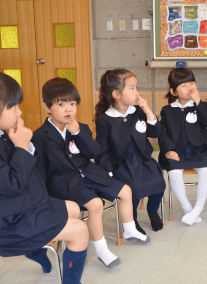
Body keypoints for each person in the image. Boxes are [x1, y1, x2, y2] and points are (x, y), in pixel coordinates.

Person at [0, 70, 88, 284]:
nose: (19, 113)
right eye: (12, 106)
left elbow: (24, 170)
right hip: (5, 225)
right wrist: (21, 147)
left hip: (19, 207)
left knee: (75, 208)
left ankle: (37, 250)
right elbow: (13, 184)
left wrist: (24, 145)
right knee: (79, 230)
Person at [32, 77, 149, 269]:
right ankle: (102, 250)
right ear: (47, 107)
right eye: (61, 104)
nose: (69, 109)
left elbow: (94, 152)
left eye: (72, 103)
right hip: (65, 183)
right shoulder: (39, 136)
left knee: (126, 190)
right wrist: (45, 198)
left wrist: (78, 133)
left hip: (90, 174)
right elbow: (40, 170)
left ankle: (129, 229)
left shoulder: (81, 128)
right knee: (95, 205)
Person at [95, 69, 166, 232]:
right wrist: (108, 173)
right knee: (132, 189)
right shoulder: (105, 119)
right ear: (116, 94)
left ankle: (152, 210)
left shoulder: (138, 112)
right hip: (121, 163)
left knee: (159, 182)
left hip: (142, 159)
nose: (137, 93)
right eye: (132, 88)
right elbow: (102, 150)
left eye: (136, 87)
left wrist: (148, 110)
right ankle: (131, 220)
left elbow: (155, 133)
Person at [158, 67, 207, 226]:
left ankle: (198, 209)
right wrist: (168, 150)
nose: (190, 87)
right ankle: (187, 207)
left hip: (197, 150)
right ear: (173, 91)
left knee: (205, 171)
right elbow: (163, 132)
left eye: (192, 83)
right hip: (176, 150)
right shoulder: (167, 110)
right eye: (184, 85)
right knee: (174, 173)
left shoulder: (200, 105)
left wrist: (198, 102)